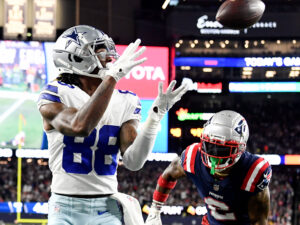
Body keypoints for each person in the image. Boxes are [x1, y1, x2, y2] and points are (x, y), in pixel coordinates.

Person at [37, 25, 188, 225]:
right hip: (64, 208)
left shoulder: (126, 100)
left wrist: (155, 117)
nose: (109, 57)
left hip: (107, 208)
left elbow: (134, 161)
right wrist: (112, 77)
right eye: (99, 51)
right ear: (74, 58)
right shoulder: (55, 93)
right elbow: (79, 125)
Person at [146, 110, 272, 225]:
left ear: (240, 148)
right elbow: (169, 174)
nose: (214, 155)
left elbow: (259, 221)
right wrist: (155, 210)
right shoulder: (194, 157)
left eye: (222, 149)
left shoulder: (253, 170)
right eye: (210, 146)